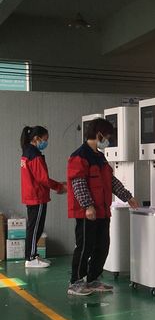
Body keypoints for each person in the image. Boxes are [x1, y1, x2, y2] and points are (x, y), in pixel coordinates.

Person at [67, 118, 139, 296]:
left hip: (102, 211)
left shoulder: (100, 157)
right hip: (87, 212)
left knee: (102, 246)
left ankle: (92, 279)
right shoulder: (80, 156)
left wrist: (127, 196)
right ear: (99, 134)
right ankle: (75, 282)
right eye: (107, 136)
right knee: (85, 246)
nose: (108, 140)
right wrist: (88, 205)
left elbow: (111, 181)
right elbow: (78, 183)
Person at [19, 125, 67, 268]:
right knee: (35, 228)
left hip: (32, 194)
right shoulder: (34, 155)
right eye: (45, 139)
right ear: (36, 138)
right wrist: (59, 186)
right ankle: (31, 258)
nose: (46, 142)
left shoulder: (27, 152)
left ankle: (33, 255)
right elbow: (43, 178)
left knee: (35, 227)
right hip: (37, 196)